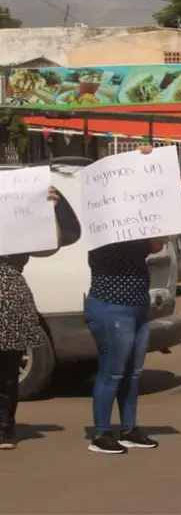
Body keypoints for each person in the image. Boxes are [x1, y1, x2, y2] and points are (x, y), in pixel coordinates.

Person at [85, 147, 168, 455]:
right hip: (110, 306)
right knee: (113, 371)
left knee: (132, 373)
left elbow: (157, 244)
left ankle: (129, 428)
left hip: (137, 307)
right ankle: (101, 434)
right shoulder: (101, 220)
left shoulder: (136, 221)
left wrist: (146, 167)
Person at [0, 188, 59, 450]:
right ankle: (4, 429)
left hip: (10, 298)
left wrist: (50, 210)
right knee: (8, 371)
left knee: (8, 369)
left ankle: (4, 429)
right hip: (12, 296)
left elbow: (50, 244)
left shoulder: (18, 223)